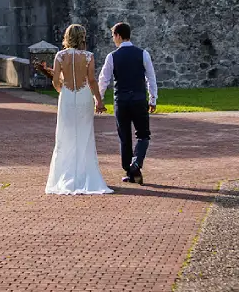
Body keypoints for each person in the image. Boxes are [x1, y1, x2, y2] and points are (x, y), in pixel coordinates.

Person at [45, 24, 112, 195]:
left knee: (65, 134)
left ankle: (63, 175)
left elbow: (55, 81)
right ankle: (86, 175)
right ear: (82, 37)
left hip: (67, 96)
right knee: (85, 135)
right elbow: (92, 80)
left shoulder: (60, 56)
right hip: (83, 96)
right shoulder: (89, 56)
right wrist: (99, 101)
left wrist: (62, 91)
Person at [98, 21, 157, 185]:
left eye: (113, 36)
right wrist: (153, 98)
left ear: (118, 35)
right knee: (143, 135)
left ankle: (129, 170)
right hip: (139, 99)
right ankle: (136, 163)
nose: (113, 40)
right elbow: (150, 78)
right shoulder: (143, 54)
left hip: (121, 101)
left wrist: (99, 100)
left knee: (124, 137)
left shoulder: (112, 57)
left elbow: (104, 80)